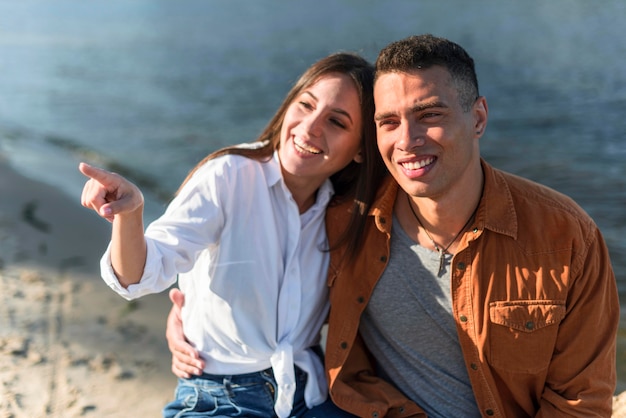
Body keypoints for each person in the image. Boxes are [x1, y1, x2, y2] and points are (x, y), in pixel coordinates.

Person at [167, 34, 619, 417]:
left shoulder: (564, 236)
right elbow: (272, 277)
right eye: (388, 122)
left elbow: (581, 400)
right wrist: (192, 319)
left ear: (478, 117)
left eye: (431, 115)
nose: (407, 141)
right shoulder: (345, 220)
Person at [79, 52, 386, 418]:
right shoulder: (228, 176)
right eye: (305, 104)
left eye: (336, 121)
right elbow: (139, 275)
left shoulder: (350, 213)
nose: (310, 127)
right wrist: (130, 216)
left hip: (311, 393)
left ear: (361, 151)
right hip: (220, 396)